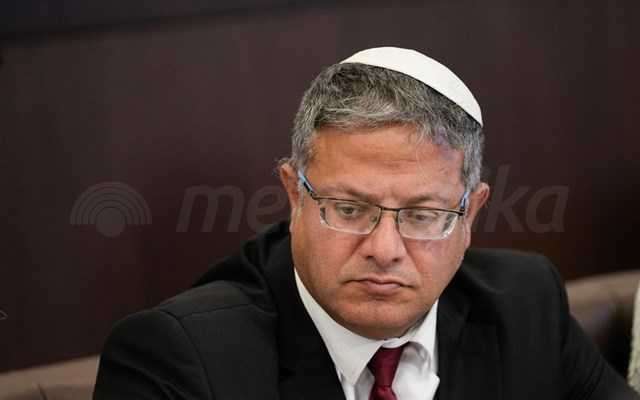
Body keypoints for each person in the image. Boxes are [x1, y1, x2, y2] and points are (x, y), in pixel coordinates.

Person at [93, 47, 639, 400]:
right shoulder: (178, 358)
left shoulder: (525, 305)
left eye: (423, 215)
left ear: (470, 213)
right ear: (294, 195)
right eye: (350, 209)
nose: (385, 248)